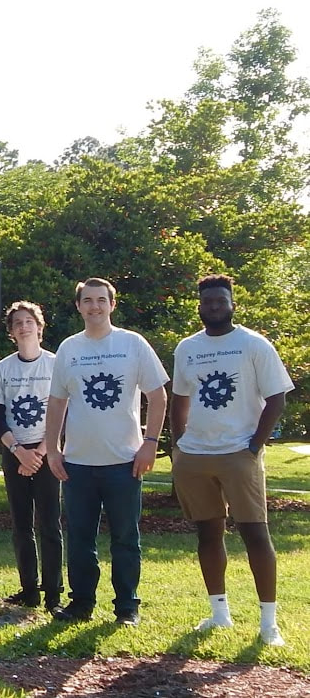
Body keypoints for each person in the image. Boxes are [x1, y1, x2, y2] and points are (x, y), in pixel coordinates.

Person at [171, 274, 294, 647]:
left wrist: (254, 446)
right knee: (207, 534)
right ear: (199, 306)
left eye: (220, 301)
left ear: (232, 304)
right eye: (207, 302)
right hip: (195, 455)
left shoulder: (253, 344)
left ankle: (268, 624)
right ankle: (219, 613)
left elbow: (277, 399)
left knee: (256, 534)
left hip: (239, 454)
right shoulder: (187, 348)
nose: (214, 307)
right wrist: (179, 446)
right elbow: (179, 400)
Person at [44, 278, 168, 626]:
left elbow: (158, 397)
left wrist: (150, 443)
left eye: (101, 300)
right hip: (78, 464)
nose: (95, 307)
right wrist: (53, 449)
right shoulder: (69, 348)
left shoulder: (133, 344)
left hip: (124, 462)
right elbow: (56, 402)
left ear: (112, 305)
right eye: (88, 300)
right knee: (80, 539)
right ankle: (81, 603)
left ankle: (127, 606)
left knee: (125, 539)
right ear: (79, 306)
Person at [0, 301, 62, 610]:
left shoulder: (57, 364)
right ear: (11, 332)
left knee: (50, 526)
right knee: (21, 526)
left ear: (40, 328)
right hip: (14, 454)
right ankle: (29, 591)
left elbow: (65, 412)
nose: (24, 326)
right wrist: (18, 452)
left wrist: (41, 453)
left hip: (49, 455)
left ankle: (54, 595)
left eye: (29, 321)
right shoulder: (2, 369)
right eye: (17, 322)